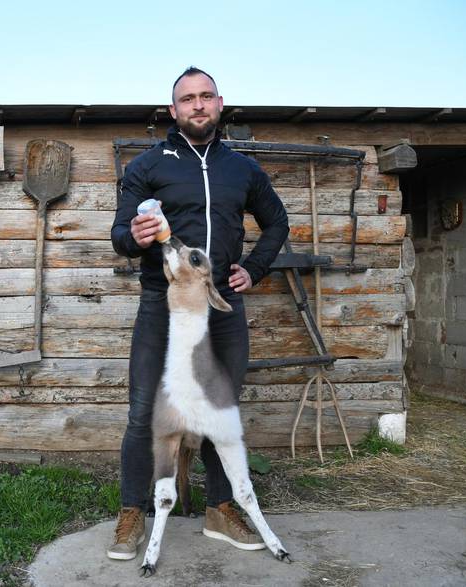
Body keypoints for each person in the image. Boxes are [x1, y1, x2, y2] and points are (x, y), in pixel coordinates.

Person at [107, 67, 289, 560]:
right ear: (173, 110)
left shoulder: (242, 169)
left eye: (206, 96)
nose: (198, 105)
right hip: (162, 308)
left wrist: (254, 269)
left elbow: (277, 222)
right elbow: (120, 234)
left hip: (221, 309)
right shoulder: (149, 165)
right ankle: (132, 514)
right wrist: (136, 238)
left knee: (218, 410)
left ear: (220, 103)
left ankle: (220, 509)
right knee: (144, 411)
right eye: (187, 98)